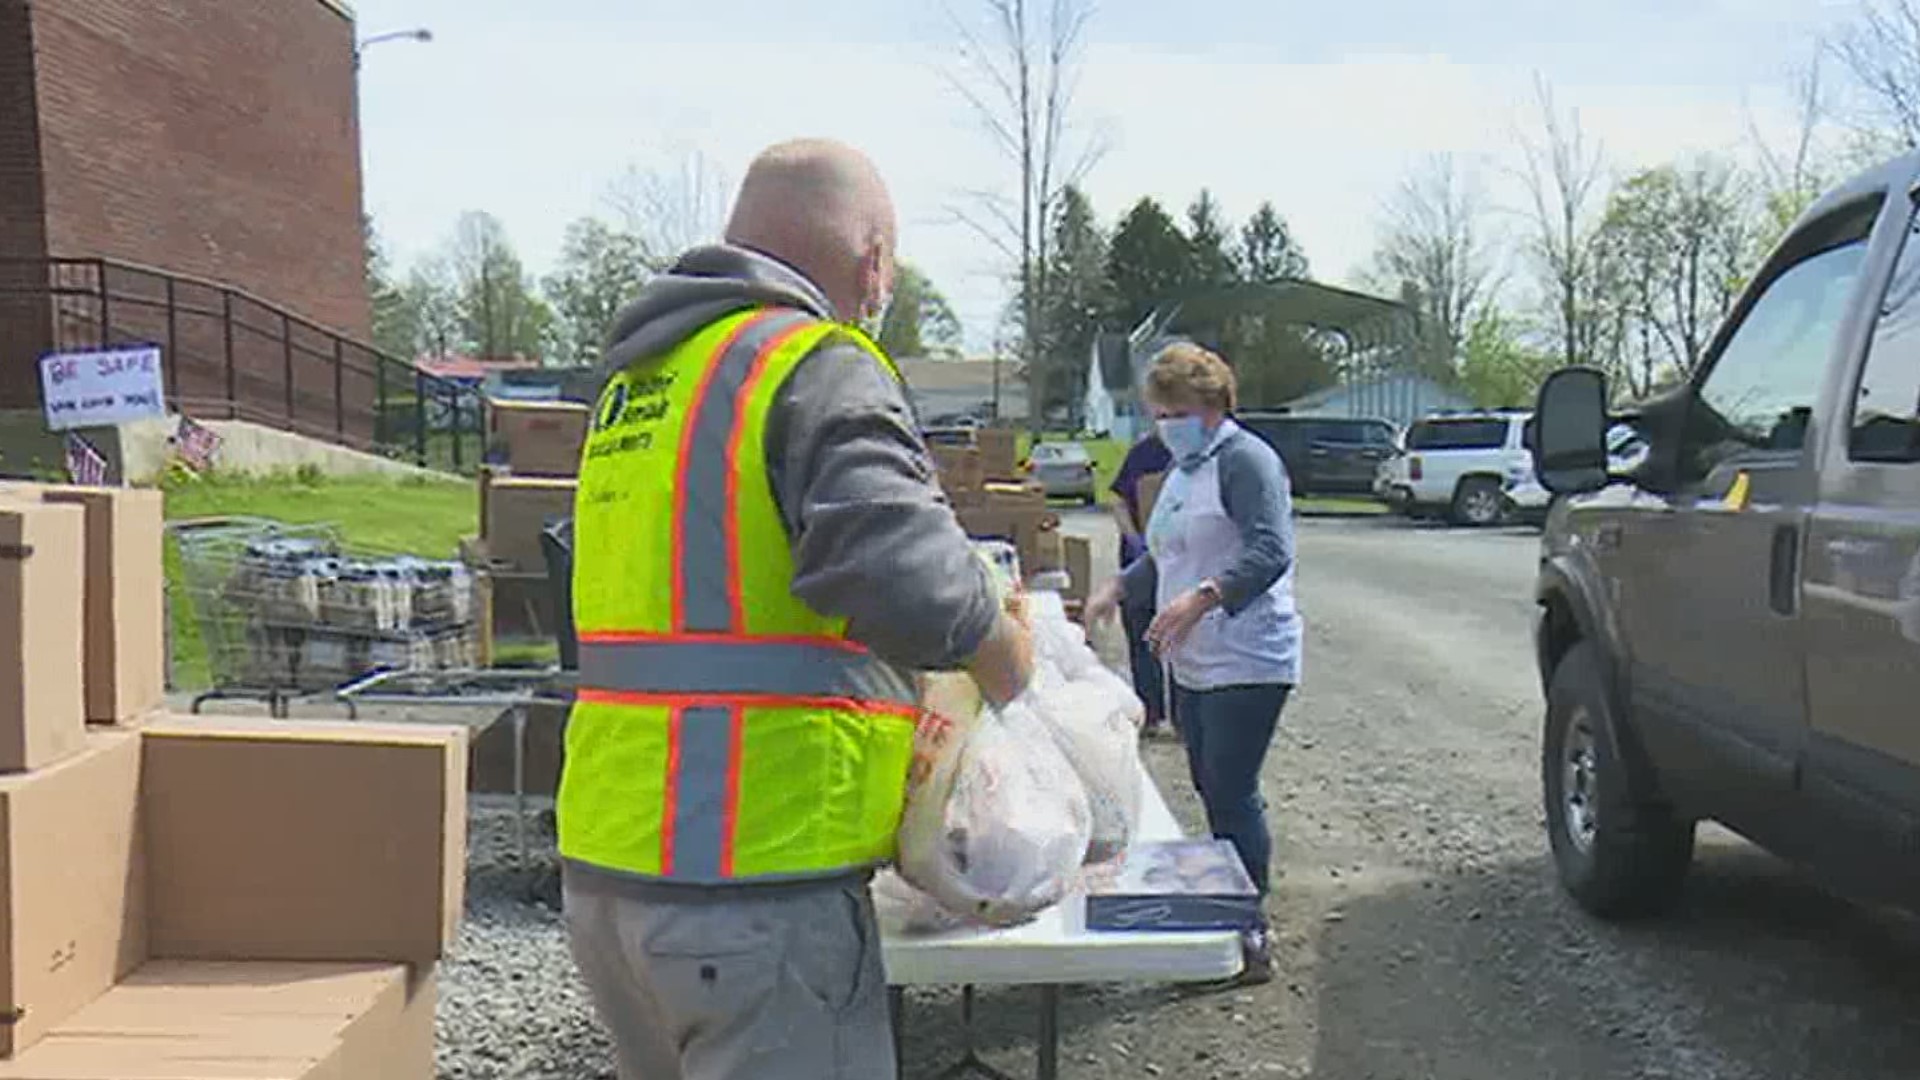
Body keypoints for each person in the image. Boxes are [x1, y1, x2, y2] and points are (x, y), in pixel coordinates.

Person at [558, 137, 1037, 1080]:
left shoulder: (641, 384)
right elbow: (904, 578)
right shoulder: (814, 359)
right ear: (872, 263)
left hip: (614, 876)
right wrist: (1001, 642)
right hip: (753, 879)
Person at [1085, 341, 1299, 985]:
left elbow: (1270, 549)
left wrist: (1206, 596)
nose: (1163, 424)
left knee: (1232, 793)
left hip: (1248, 656)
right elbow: (1167, 547)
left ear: (1209, 405)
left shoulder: (1246, 462)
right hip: (1197, 657)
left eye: (1173, 409)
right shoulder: (1183, 470)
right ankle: (1223, 910)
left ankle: (1251, 934)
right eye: (1156, 412)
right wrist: (1121, 586)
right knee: (1209, 786)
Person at [1107, 428, 1172, 735]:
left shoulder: (1204, 456)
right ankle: (1151, 711)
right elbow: (1118, 499)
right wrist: (1134, 537)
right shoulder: (1145, 452)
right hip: (1139, 557)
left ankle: (1185, 718)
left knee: (1182, 637)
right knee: (1142, 633)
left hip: (1179, 559)